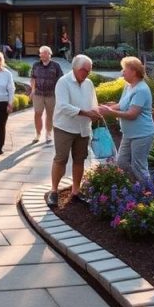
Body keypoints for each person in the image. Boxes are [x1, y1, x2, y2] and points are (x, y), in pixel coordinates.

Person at [46, 54, 102, 207]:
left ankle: (76, 191)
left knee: (80, 159)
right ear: (76, 68)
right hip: (64, 127)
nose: (88, 74)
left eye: (89, 71)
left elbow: (93, 103)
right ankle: (54, 191)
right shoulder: (63, 82)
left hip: (83, 128)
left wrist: (96, 113)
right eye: (85, 70)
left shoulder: (88, 83)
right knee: (61, 159)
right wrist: (86, 113)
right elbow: (63, 106)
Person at [99, 56, 154, 183]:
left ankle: (150, 193)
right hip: (129, 134)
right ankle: (135, 187)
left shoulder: (141, 89)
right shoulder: (128, 86)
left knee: (139, 166)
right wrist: (101, 109)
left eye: (124, 69)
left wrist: (110, 112)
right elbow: (121, 105)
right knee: (122, 163)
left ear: (134, 71)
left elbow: (132, 114)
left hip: (142, 134)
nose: (122, 72)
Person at [29, 45, 63, 143]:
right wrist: (33, 90)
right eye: (41, 54)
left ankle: (48, 134)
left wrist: (59, 93)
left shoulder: (56, 65)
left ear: (49, 54)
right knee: (37, 114)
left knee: (50, 114)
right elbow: (33, 78)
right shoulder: (36, 65)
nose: (42, 55)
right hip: (38, 94)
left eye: (44, 53)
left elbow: (60, 80)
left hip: (51, 94)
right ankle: (38, 134)